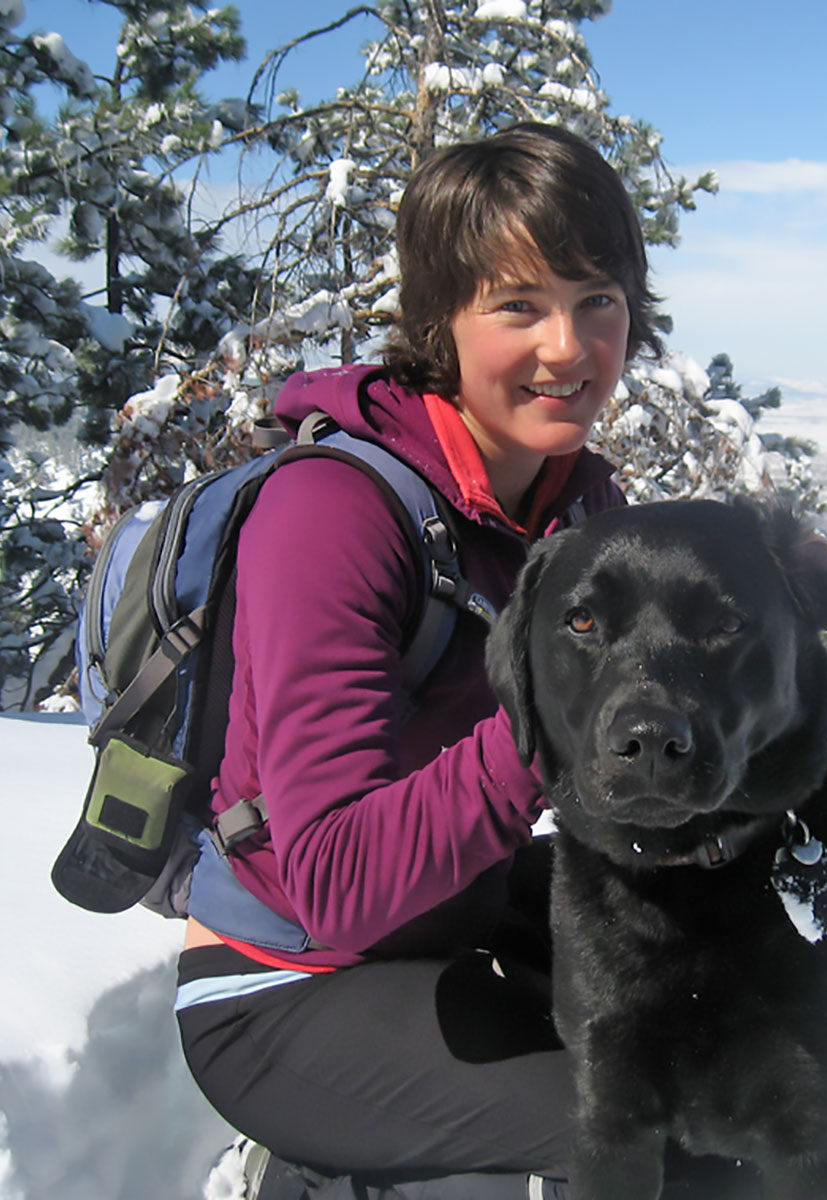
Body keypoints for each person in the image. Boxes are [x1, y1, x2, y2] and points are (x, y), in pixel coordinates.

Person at [175, 124, 748, 1200]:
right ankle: (308, 1159)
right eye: (519, 306)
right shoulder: (331, 514)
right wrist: (553, 717)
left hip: (455, 916)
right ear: (442, 316)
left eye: (598, 301)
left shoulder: (579, 500)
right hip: (282, 985)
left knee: (731, 1056)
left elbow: (713, 656)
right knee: (638, 1139)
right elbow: (337, 886)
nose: (570, 348)